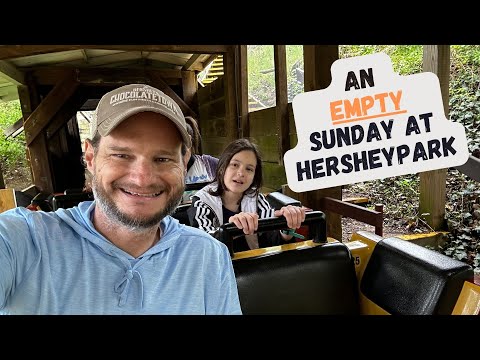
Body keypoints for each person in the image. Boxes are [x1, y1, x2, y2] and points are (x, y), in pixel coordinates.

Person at [0, 83, 242, 315]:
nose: (142, 179)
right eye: (121, 155)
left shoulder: (208, 256)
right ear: (91, 157)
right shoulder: (25, 240)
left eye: (162, 159)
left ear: (184, 161)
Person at [188, 138, 306, 253]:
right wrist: (231, 229)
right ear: (222, 168)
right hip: (220, 268)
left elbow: (271, 240)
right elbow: (203, 244)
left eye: (249, 169)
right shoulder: (202, 201)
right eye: (234, 165)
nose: (241, 173)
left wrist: (286, 226)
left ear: (255, 176)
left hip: (253, 267)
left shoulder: (257, 199)